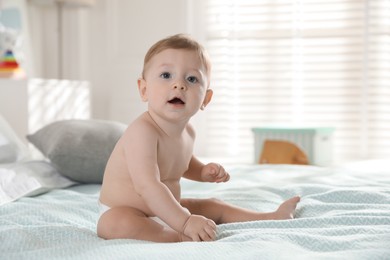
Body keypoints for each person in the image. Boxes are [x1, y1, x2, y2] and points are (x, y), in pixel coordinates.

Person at [97, 34, 300, 243]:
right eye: (166, 75)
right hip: (128, 210)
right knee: (114, 223)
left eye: (191, 79)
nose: (179, 85)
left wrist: (202, 171)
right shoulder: (142, 132)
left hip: (166, 209)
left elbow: (180, 162)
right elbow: (147, 186)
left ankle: (269, 217)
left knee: (212, 205)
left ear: (205, 99)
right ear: (144, 89)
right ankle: (179, 237)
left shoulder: (188, 132)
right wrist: (185, 222)